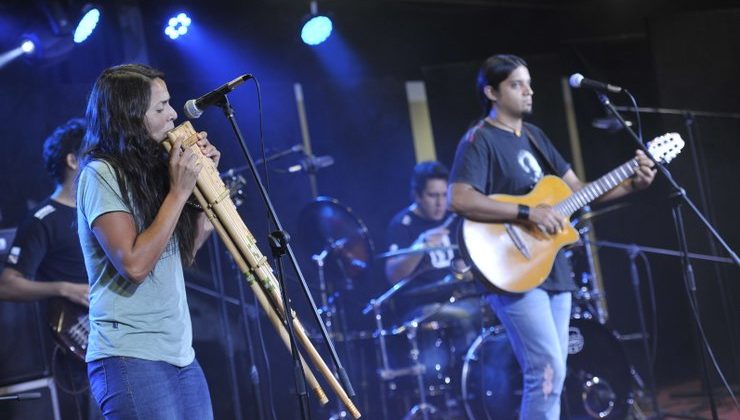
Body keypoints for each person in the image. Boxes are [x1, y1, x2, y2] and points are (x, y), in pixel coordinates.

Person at [448, 54, 656, 419]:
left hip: (552, 267)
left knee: (553, 374)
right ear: (492, 92)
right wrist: (528, 212)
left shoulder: (535, 137)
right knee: (545, 370)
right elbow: (460, 197)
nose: (528, 91)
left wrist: (631, 185)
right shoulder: (480, 139)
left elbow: (579, 192)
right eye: (516, 84)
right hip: (513, 272)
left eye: (528, 83)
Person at [77, 64, 219, 419]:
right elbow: (135, 265)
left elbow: (182, 254)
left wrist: (204, 186)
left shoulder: (153, 172)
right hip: (130, 355)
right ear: (129, 117)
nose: (173, 113)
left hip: (180, 353)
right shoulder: (100, 174)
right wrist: (179, 190)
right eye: (160, 107)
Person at [0, 118, 99, 420]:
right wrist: (64, 287)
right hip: (81, 337)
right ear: (72, 160)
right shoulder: (43, 219)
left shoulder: (98, 210)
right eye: (91, 154)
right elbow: (7, 284)